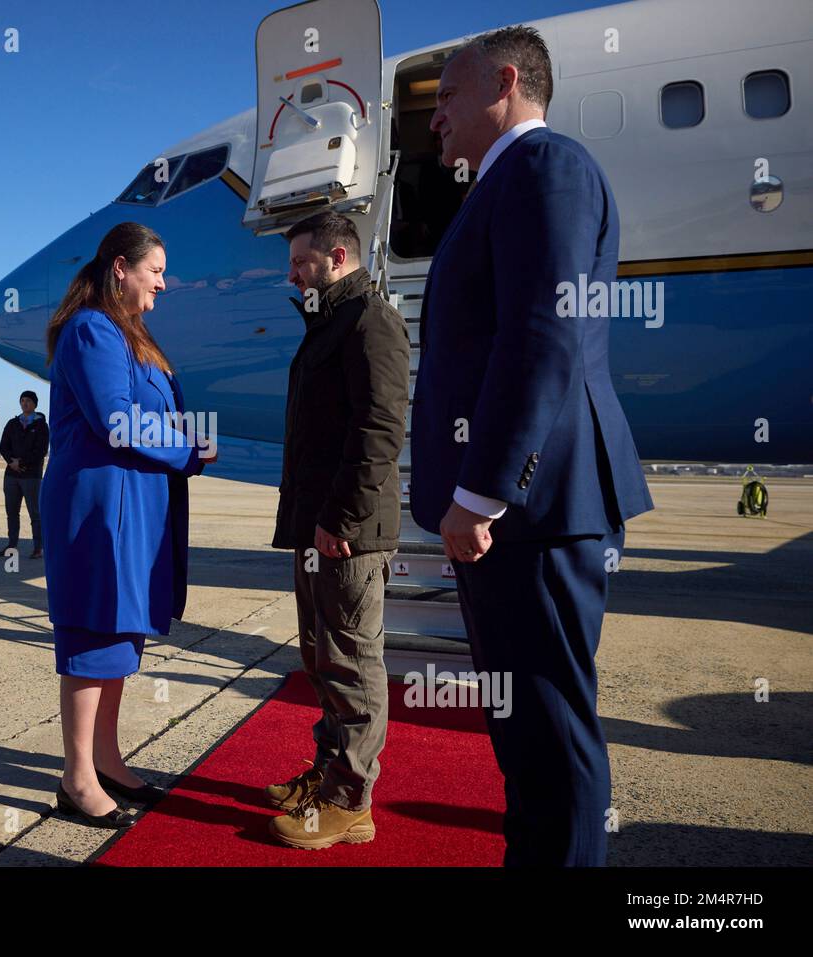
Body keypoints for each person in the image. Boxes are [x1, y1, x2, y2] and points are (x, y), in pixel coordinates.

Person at [411, 26, 653, 866]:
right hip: (523, 507)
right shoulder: (502, 183)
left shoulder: (545, 169)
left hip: (538, 505)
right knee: (524, 733)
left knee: (550, 731)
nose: (435, 119)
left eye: (445, 97)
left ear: (505, 82)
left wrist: (481, 493)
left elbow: (541, 337)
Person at [43, 222, 215, 829]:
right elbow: (116, 420)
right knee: (93, 636)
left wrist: (188, 439)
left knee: (121, 637)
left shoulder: (129, 335)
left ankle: (107, 760)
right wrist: (187, 450)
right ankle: (77, 777)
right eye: (156, 271)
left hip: (134, 506)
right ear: (121, 268)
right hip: (100, 510)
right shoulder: (92, 329)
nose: (163, 283)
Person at [264, 212, 410, 850]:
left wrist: (340, 521)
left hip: (346, 533)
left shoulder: (368, 321)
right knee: (322, 657)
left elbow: (379, 429)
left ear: (339, 256)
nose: (291, 274)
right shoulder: (328, 323)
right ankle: (328, 774)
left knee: (352, 661)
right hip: (318, 527)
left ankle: (351, 801)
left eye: (300, 262)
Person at [0, 390, 48, 559]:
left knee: (35, 512)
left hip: (31, 475)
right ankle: (12, 545)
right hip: (11, 475)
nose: (25, 403)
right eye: (22, 400)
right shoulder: (13, 423)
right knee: (12, 512)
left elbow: (41, 450)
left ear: (35, 404)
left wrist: (22, 462)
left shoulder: (41, 425)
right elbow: (4, 445)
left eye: (28, 401)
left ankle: (38, 547)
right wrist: (11, 461)